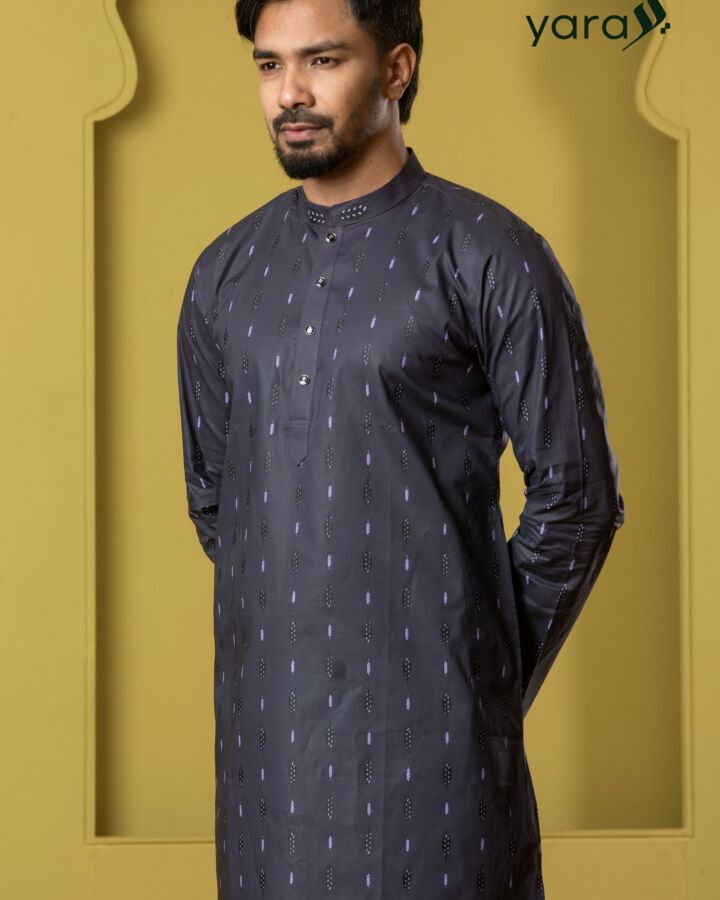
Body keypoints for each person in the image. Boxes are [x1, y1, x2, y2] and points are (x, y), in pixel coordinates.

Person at [175, 1, 626, 897]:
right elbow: (219, 501)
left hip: (441, 769)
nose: (289, 93)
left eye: (322, 61)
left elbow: (578, 499)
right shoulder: (224, 273)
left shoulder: (491, 255)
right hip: (270, 762)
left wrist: (470, 675)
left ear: (396, 68)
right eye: (268, 65)